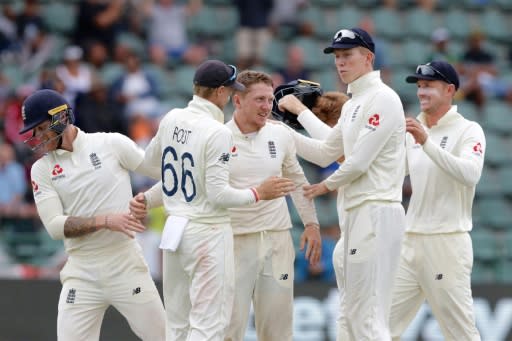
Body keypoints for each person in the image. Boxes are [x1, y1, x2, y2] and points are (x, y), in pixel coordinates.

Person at [130, 60, 295, 340]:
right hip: (206, 232)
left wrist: (147, 198)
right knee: (209, 326)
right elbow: (219, 195)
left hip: (175, 231)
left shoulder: (171, 118)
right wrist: (259, 193)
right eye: (230, 90)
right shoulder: (217, 131)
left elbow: (149, 164)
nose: (231, 96)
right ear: (219, 92)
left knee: (178, 325)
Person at [278, 27, 406, 340]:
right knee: (350, 318)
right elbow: (325, 153)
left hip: (376, 211)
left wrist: (323, 187)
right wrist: (279, 131)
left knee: (368, 319)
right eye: (337, 56)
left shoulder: (384, 98)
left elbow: (359, 161)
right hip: (356, 213)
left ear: (369, 58)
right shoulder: (352, 104)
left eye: (347, 55)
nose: (340, 62)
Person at [19, 89, 166, 340]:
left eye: (42, 127)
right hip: (81, 273)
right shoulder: (41, 170)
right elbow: (55, 227)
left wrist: (147, 199)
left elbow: (168, 177)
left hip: (125, 264)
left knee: (164, 337)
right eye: (34, 130)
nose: (38, 136)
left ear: (61, 118)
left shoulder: (111, 144)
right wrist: (106, 220)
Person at [223, 70, 322, 341]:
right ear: (238, 101)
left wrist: (311, 223)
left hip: (277, 240)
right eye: (259, 100)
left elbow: (297, 180)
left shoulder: (280, 134)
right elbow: (210, 192)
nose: (267, 107)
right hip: (234, 242)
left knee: (278, 332)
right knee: (228, 329)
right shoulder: (218, 137)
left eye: (269, 100)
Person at [389, 60, 484, 341]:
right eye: (419, 86)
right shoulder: (414, 130)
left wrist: (426, 142)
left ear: (449, 90)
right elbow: (391, 172)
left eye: (428, 86)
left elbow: (470, 174)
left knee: (460, 333)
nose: (421, 92)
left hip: (447, 242)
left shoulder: (469, 130)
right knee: (378, 325)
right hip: (410, 241)